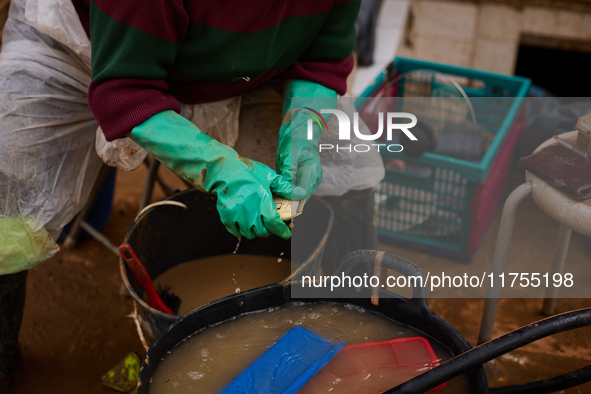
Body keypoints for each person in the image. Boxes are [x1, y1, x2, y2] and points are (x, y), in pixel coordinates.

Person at [0, 0, 382, 390]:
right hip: (86, 54)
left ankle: (345, 337)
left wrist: (304, 130)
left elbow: (323, 57)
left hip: (257, 73)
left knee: (348, 171)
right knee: (6, 202)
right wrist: (219, 167)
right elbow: (125, 89)